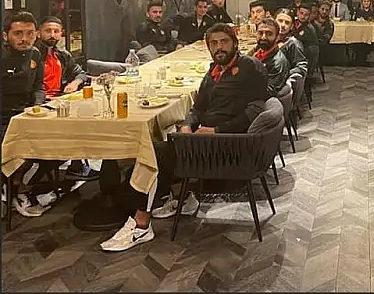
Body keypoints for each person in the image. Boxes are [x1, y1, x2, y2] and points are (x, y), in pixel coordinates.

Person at [101, 23, 269, 252]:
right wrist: (187, 125)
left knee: (153, 154)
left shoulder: (251, 67)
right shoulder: (214, 71)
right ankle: (184, 197)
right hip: (202, 140)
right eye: (214, 43)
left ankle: (141, 226)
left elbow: (256, 110)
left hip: (228, 146)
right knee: (169, 136)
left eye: (224, 42)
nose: (219, 47)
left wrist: (216, 131)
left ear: (235, 43)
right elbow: (197, 108)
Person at [2, 12, 57, 217]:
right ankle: (16, 189)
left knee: (59, 142)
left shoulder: (35, 54)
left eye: (29, 33)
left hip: (27, 114)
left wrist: (37, 105)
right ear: (5, 35)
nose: (24, 39)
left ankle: (17, 185)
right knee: (25, 147)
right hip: (4, 117)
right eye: (18, 33)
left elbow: (38, 86)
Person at [36, 16, 87, 98]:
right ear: (38, 33)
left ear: (61, 34)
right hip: (39, 101)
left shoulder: (63, 55)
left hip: (61, 97)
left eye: (56, 31)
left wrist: (75, 83)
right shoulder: (33, 55)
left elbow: (81, 73)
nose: (52, 35)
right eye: (48, 31)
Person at [253, 18, 290, 97]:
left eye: (269, 34)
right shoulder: (259, 52)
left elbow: (269, 91)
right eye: (260, 33)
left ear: (277, 37)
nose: (263, 37)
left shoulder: (278, 63)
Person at [274, 8, 309, 77]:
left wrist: (284, 74)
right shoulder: (270, 40)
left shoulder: (293, 43)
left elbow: (302, 68)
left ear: (292, 26)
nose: (283, 25)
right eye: (280, 21)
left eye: (287, 22)